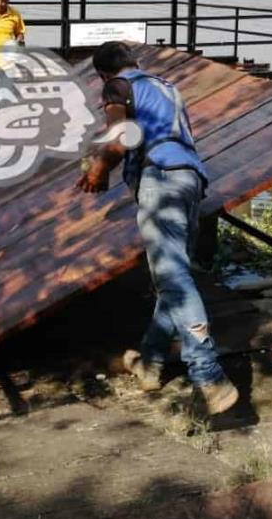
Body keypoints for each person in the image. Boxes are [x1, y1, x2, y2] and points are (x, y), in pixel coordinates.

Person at [74, 40, 239, 416]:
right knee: (173, 275)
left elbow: (120, 139)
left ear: (103, 73)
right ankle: (150, 362)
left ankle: (209, 374)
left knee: (172, 278)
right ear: (134, 61)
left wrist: (99, 171)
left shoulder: (118, 86)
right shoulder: (166, 86)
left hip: (160, 178)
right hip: (191, 178)